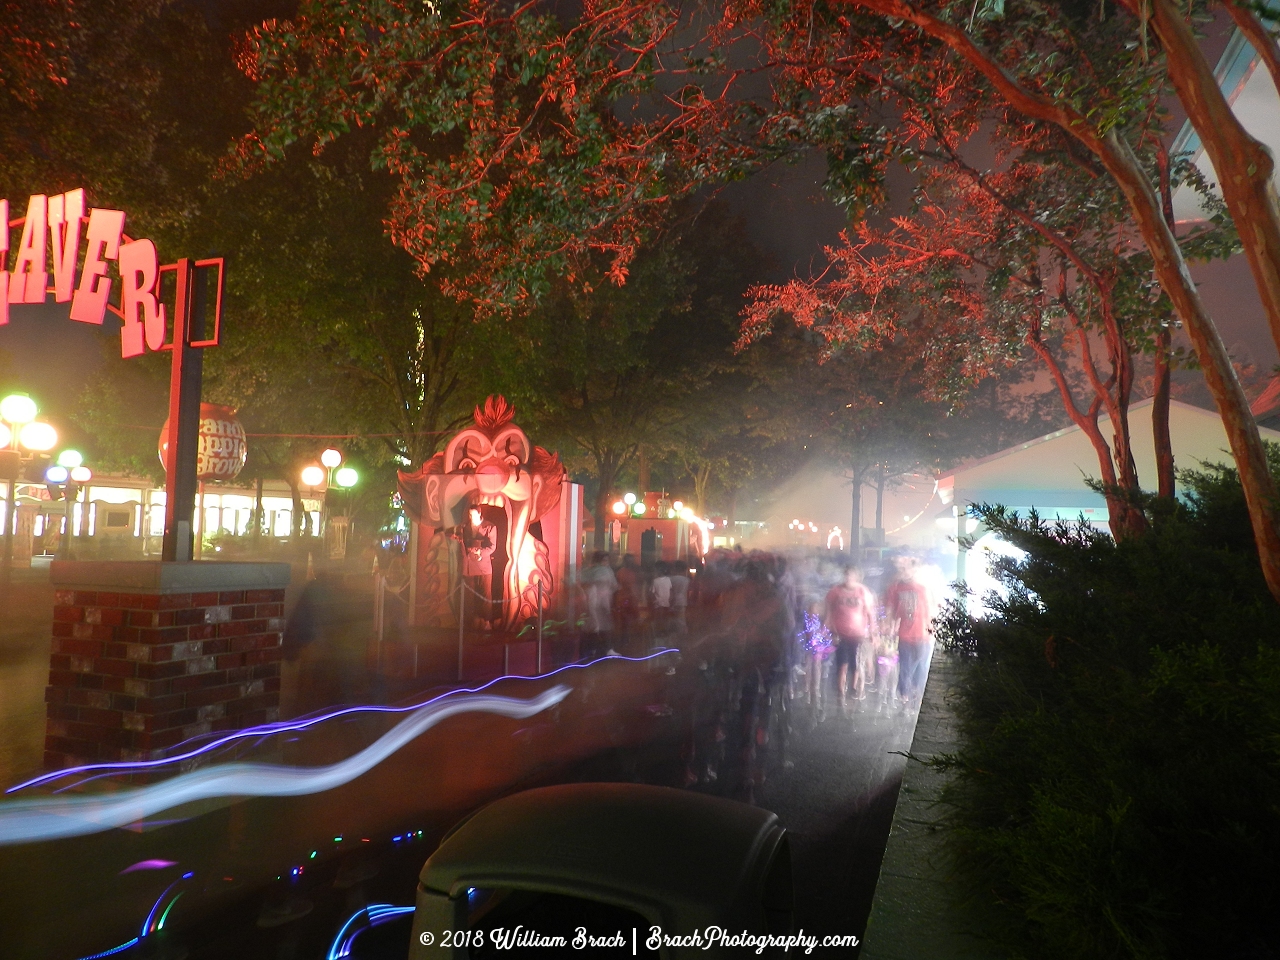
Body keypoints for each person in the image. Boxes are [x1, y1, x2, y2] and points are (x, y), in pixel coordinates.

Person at [824, 564, 877, 712]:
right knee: (842, 664)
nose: (849, 578)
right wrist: (827, 628)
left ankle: (853, 690)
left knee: (856, 664)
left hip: (858, 635)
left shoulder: (862, 592)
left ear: (857, 577)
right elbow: (828, 610)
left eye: (852, 575)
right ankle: (841, 694)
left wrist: (873, 633)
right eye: (847, 575)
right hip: (841, 634)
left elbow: (870, 613)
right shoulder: (836, 591)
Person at [884, 554, 934, 706]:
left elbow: (930, 609)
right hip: (905, 633)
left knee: (920, 665)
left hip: (922, 634)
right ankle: (904, 694)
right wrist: (889, 626)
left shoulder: (922, 588)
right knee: (905, 664)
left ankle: (916, 692)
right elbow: (890, 609)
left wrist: (931, 628)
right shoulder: (895, 588)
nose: (904, 572)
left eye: (907, 569)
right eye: (902, 569)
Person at [449, 506, 497, 629]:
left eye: (473, 515)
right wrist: (456, 538)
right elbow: (453, 534)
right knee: (468, 596)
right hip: (468, 566)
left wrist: (480, 551)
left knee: (485, 595)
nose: (471, 517)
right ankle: (469, 623)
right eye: (469, 515)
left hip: (483, 567)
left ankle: (487, 622)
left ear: (480, 514)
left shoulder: (490, 527)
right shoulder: (464, 527)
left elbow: (492, 547)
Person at [579, 552, 618, 659]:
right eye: (604, 560)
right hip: (599, 602)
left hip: (595, 603)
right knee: (600, 627)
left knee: (596, 627)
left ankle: (594, 650)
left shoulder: (587, 571)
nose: (606, 563)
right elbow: (614, 586)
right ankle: (604, 649)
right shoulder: (604, 571)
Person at [650, 561, 673, 639]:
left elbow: (652, 593)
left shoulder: (655, 581)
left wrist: (653, 602)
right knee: (665, 619)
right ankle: (665, 633)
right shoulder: (669, 580)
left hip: (657, 604)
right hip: (666, 604)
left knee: (658, 620)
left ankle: (658, 634)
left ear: (658, 570)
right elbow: (671, 590)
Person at [668, 563, 691, 637]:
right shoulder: (686, 580)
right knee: (681, 618)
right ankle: (682, 634)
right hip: (682, 601)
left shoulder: (671, 579)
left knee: (671, 617)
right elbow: (688, 591)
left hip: (672, 599)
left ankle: (672, 634)